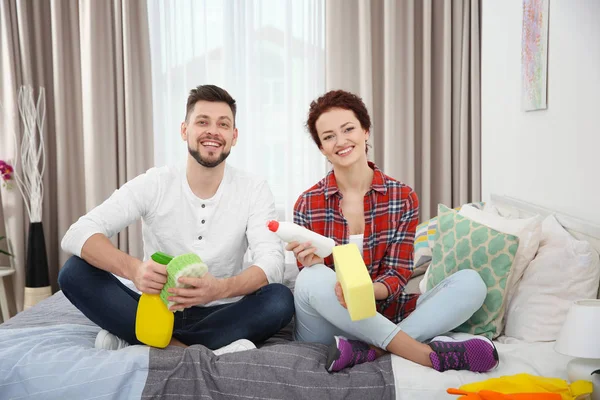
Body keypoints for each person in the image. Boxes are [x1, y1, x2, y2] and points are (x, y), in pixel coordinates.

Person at [59, 84, 294, 353]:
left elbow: (272, 261)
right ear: (185, 130)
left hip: (221, 311)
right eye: (202, 122)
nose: (213, 132)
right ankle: (186, 346)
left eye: (223, 124)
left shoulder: (254, 188)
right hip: (155, 307)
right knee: (74, 272)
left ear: (234, 135)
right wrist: (134, 270)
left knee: (279, 299)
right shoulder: (156, 182)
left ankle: (145, 339)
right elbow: (78, 232)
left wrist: (219, 289)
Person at [287, 90, 498, 373]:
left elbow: (398, 274)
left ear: (365, 131)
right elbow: (315, 286)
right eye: (328, 136)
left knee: (471, 283)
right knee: (311, 278)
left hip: (385, 313)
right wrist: (312, 265)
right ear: (322, 148)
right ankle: (422, 354)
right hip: (329, 325)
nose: (341, 141)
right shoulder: (306, 203)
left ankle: (369, 351)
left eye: (348, 129)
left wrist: (362, 293)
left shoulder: (402, 197)